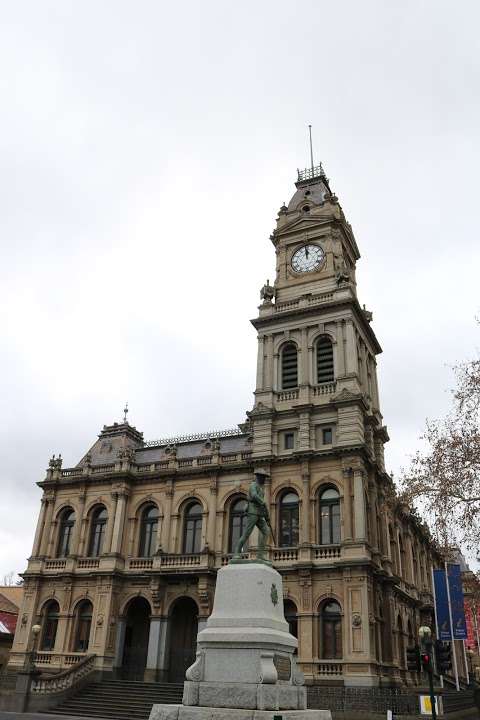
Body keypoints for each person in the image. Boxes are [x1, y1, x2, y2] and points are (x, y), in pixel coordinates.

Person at [233, 469, 272, 560]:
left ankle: (260, 554)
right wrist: (262, 502)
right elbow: (254, 495)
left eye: (265, 477)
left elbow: (262, 505)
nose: (264, 479)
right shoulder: (253, 485)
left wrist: (267, 518)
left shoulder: (262, 488)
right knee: (247, 533)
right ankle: (237, 552)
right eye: (263, 477)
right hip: (252, 511)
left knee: (266, 531)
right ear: (258, 477)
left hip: (259, 512)